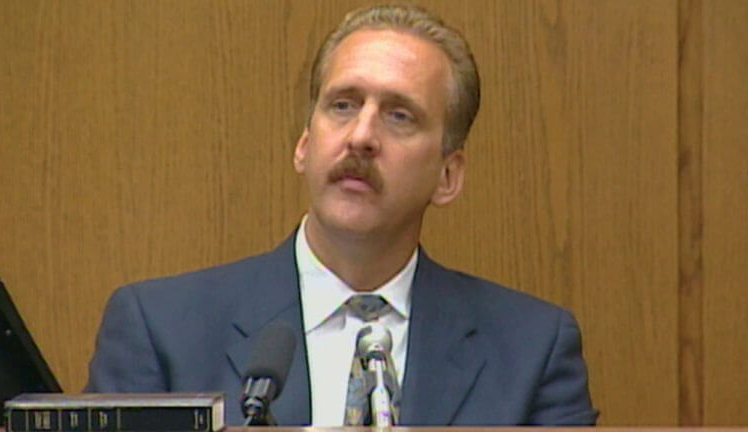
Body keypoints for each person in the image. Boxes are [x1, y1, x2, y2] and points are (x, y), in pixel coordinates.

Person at [85, 4, 598, 426]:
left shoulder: (532, 349)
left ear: (448, 176)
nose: (361, 136)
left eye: (399, 115)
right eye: (343, 105)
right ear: (305, 145)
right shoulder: (159, 330)